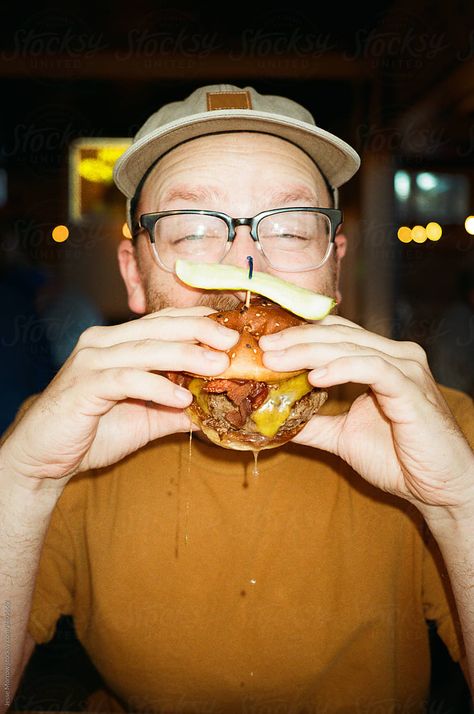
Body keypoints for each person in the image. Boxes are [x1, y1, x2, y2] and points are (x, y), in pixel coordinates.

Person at [1, 84, 473, 714]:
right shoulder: (57, 438)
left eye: (288, 227)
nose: (247, 263)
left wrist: (458, 506)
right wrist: (23, 483)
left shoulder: (444, 431)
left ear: (335, 265)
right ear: (134, 276)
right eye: (192, 227)